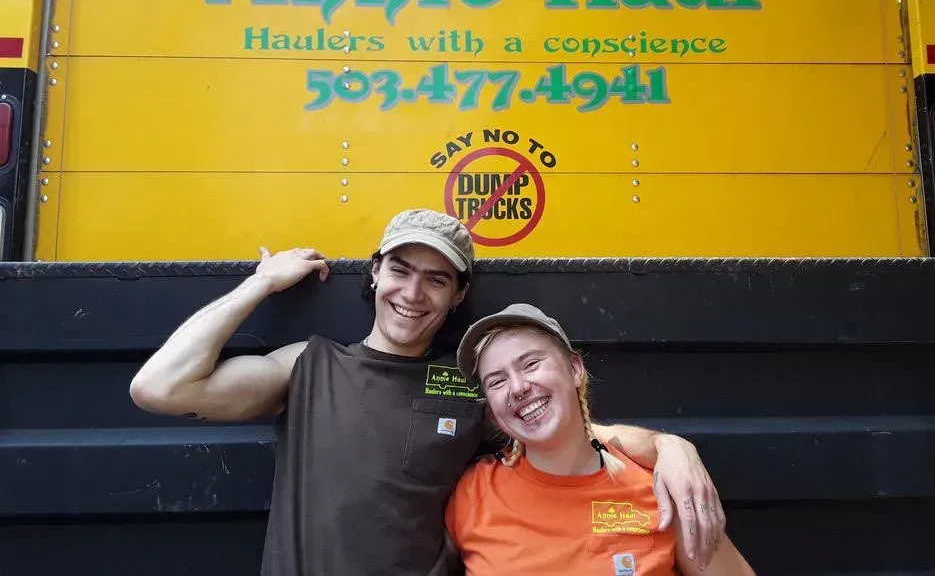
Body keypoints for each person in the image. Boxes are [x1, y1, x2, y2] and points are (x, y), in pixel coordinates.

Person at [129, 209, 727, 576]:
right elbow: (159, 387)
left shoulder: (469, 385)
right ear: (374, 274)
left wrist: (671, 447)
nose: (413, 293)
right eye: (400, 270)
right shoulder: (307, 367)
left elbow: (568, 430)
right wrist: (257, 286)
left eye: (436, 278)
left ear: (457, 296)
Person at [446, 302, 755, 576]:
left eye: (531, 364)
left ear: (575, 369)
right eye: (497, 381)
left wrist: (672, 444)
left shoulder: (661, 493)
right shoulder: (472, 494)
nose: (517, 387)